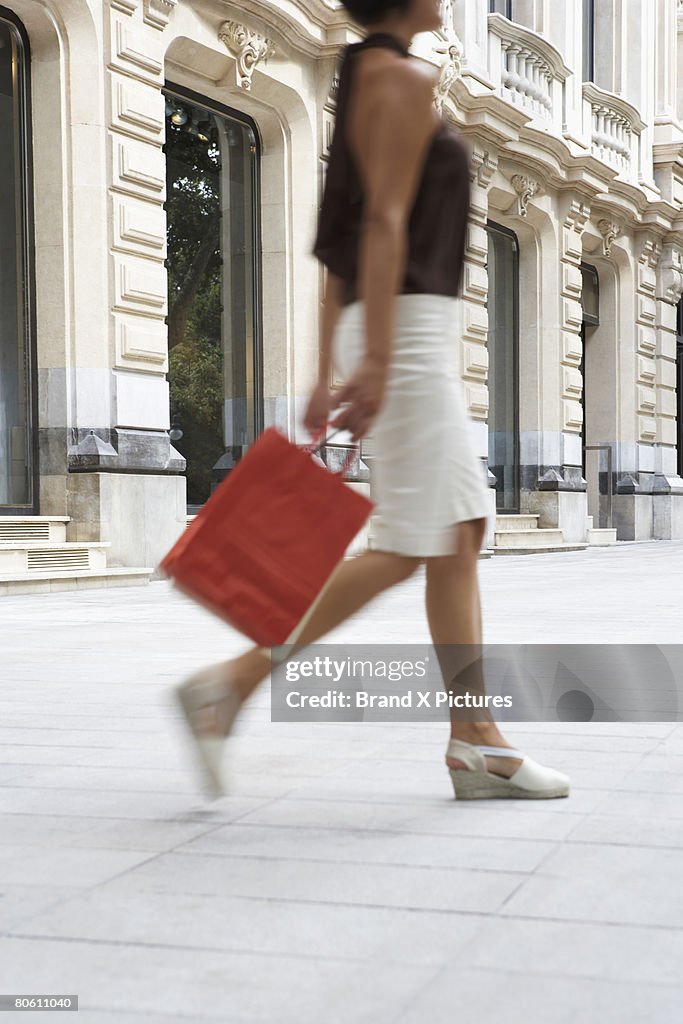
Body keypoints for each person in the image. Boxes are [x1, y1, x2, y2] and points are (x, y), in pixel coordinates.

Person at [174, 0, 570, 802]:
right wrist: (377, 358)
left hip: (394, 328)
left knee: (451, 533)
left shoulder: (366, 75)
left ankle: (472, 738)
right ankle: (234, 684)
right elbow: (382, 226)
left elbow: (338, 245)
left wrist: (332, 365)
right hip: (407, 333)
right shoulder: (397, 77)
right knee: (415, 540)